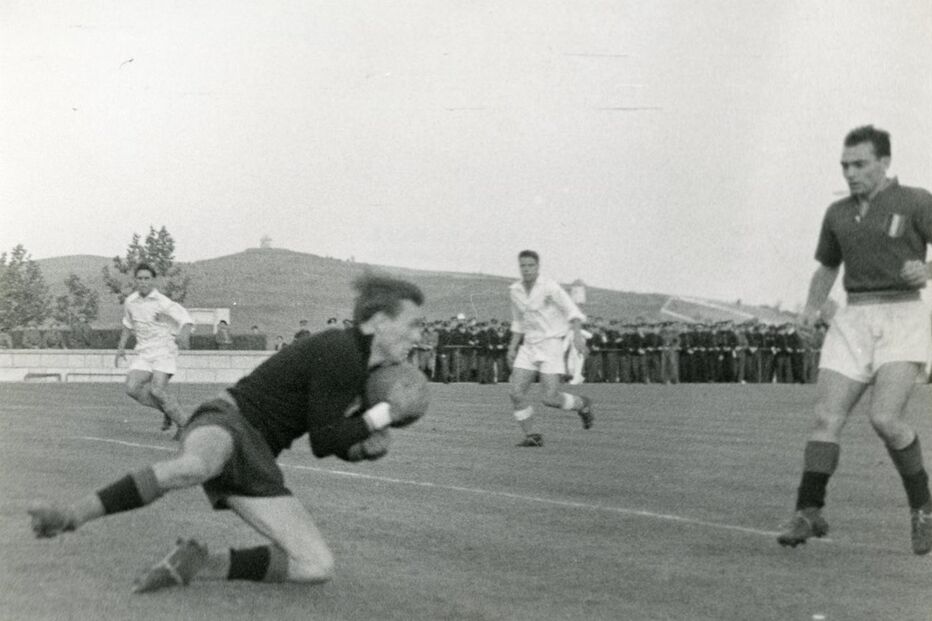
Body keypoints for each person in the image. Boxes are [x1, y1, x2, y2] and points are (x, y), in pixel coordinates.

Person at [28, 273, 428, 592]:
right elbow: (325, 439)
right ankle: (70, 515)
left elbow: (333, 438)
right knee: (195, 466)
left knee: (316, 565)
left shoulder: (361, 370)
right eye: (412, 325)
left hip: (258, 456)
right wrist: (383, 416)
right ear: (377, 322)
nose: (417, 337)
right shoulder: (340, 349)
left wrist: (363, 449)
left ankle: (201, 562)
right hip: (228, 420)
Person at [777, 125, 932, 555]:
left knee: (885, 419)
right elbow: (828, 267)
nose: (850, 173)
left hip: (904, 315)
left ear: (884, 163)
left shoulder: (917, 201)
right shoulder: (838, 213)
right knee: (826, 416)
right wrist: (811, 308)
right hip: (854, 317)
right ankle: (809, 510)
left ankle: (923, 507)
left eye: (860, 164)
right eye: (845, 165)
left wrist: (929, 270)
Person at [506, 250, 593, 447]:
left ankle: (582, 404)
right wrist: (512, 347)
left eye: (530, 266)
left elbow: (573, 312)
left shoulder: (549, 287)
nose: (526, 269)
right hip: (529, 345)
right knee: (515, 392)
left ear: (538, 267)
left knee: (550, 398)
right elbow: (518, 322)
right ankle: (533, 436)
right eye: (523, 266)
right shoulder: (515, 290)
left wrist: (578, 338)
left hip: (551, 344)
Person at [116, 263, 194, 435]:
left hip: (164, 351)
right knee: (132, 388)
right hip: (144, 352)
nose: (143, 282)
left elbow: (186, 319)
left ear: (153, 280)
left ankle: (184, 425)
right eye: (140, 278)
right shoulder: (130, 302)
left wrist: (183, 335)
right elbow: (128, 325)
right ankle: (169, 411)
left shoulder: (162, 302)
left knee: (157, 390)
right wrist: (121, 347)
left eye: (147, 278)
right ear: (135, 280)